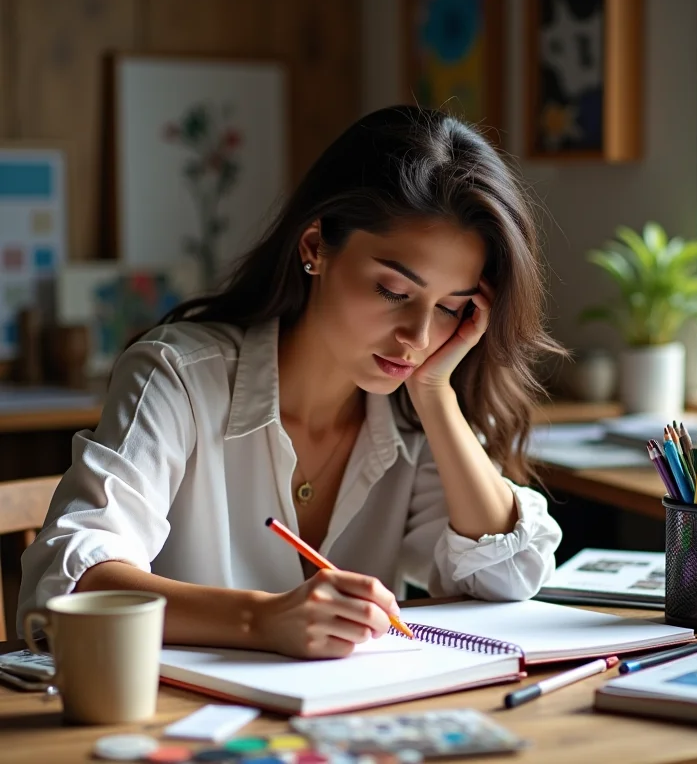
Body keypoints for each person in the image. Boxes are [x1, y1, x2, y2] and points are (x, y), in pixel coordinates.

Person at [18, 106, 563, 658]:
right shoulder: (180, 377)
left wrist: (436, 396)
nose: (417, 336)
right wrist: (260, 620)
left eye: (451, 307)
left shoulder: (414, 416)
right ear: (314, 248)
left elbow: (506, 580)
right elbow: (68, 579)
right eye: (394, 292)